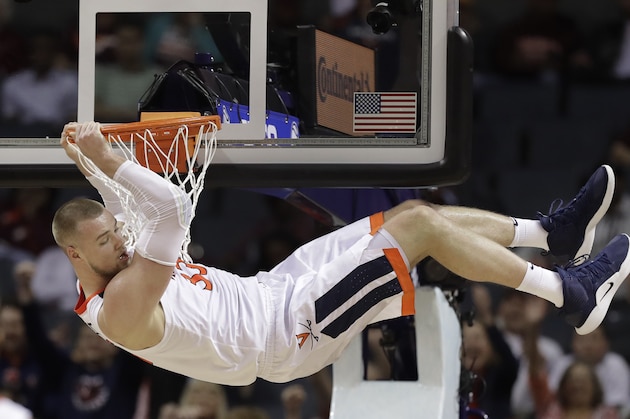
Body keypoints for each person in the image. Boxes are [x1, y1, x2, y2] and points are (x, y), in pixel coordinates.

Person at [53, 120, 630, 388]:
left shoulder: (114, 254)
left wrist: (89, 161)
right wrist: (109, 162)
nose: (122, 240)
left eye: (118, 232)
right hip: (286, 336)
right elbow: (172, 211)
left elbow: (121, 212)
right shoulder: (121, 308)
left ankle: (549, 235)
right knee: (422, 226)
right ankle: (568, 293)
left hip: (274, 291)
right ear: (75, 258)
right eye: (107, 241)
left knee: (406, 217)